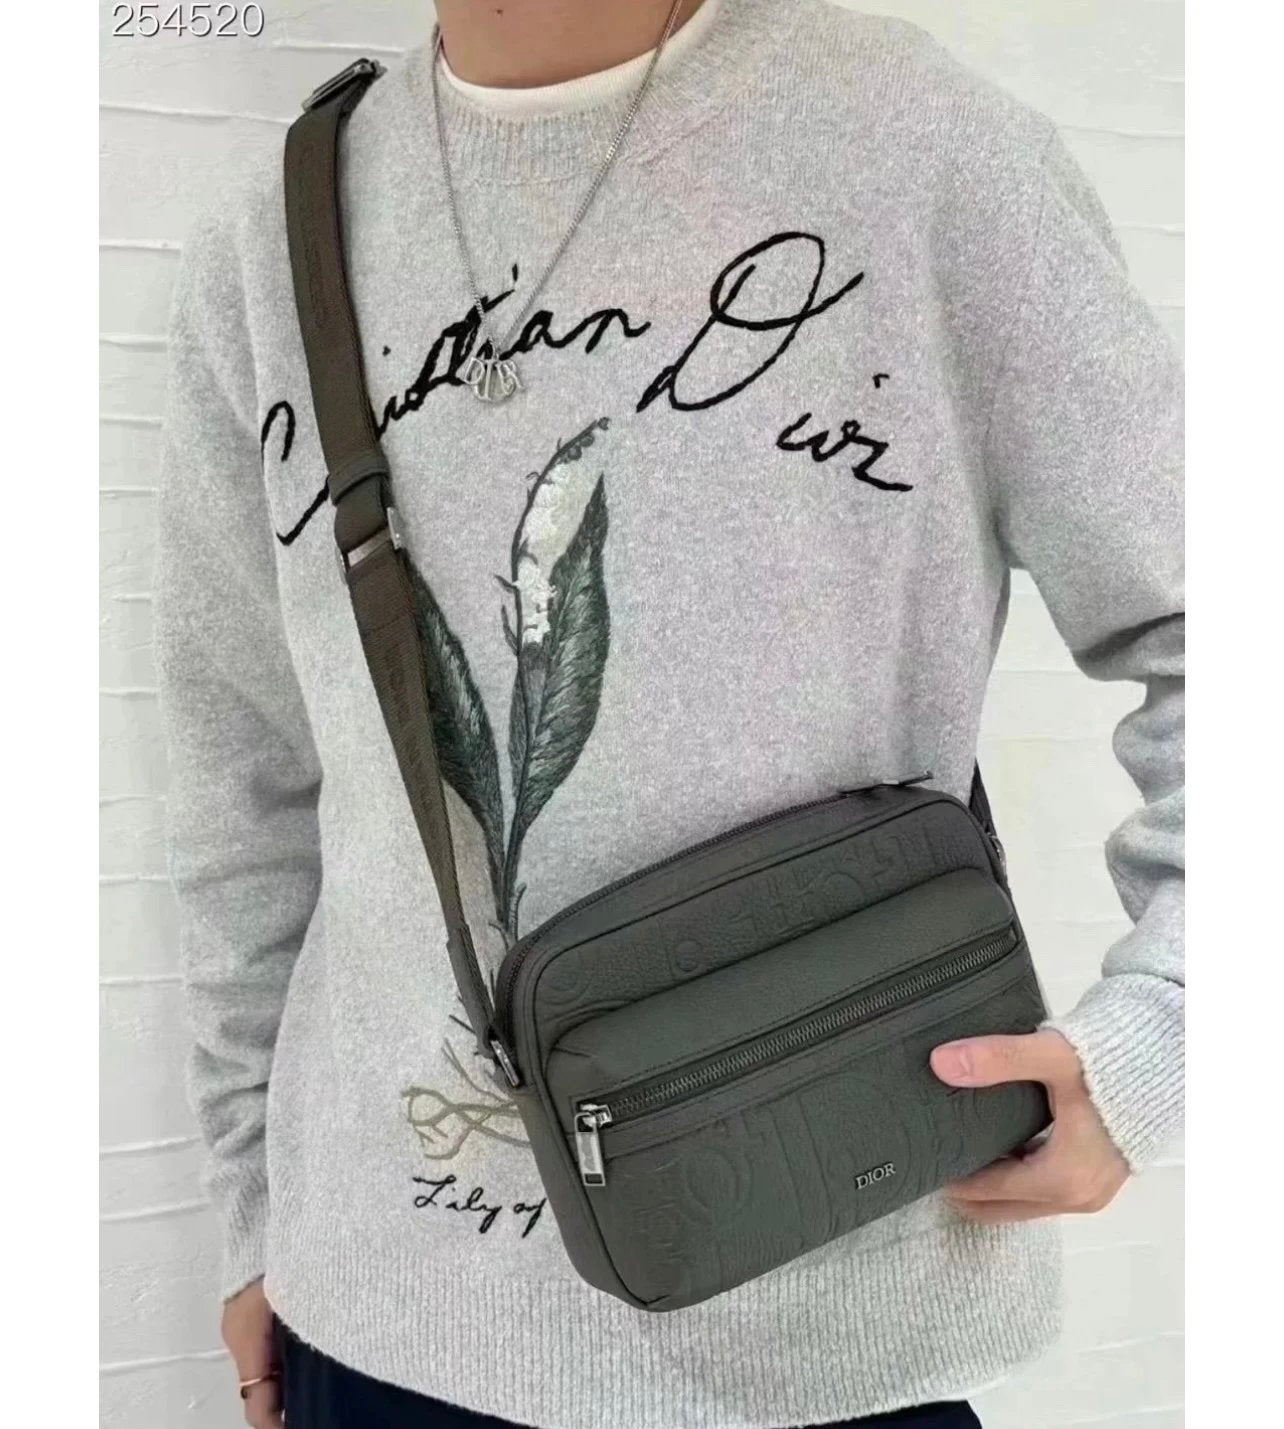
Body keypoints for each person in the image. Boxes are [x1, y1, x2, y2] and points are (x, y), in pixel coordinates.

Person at [153, 1, 1184, 1425]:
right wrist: (259, 1214)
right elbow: (243, 783)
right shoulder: (274, 239)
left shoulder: (918, 144)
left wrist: (1164, 1030)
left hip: (823, 1320)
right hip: (378, 1328)